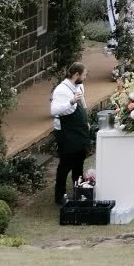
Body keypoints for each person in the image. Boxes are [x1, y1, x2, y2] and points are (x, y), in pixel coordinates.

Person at [50, 61, 89, 205]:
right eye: (84, 75)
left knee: (79, 160)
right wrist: (71, 102)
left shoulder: (79, 85)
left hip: (79, 129)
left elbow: (83, 103)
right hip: (66, 132)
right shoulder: (61, 90)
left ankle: (78, 190)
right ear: (76, 74)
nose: (85, 78)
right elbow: (54, 111)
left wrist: (86, 118)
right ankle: (59, 195)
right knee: (66, 164)